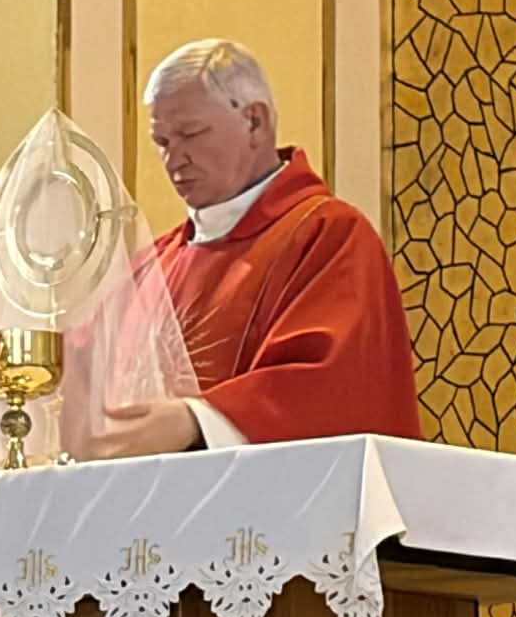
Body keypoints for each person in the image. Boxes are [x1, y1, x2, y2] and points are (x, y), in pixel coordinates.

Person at [89, 39, 424, 458]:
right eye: (162, 142)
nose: (175, 159)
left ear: (254, 121)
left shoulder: (328, 236)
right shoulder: (150, 267)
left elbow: (337, 388)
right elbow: (85, 377)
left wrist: (196, 420)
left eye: (190, 133)